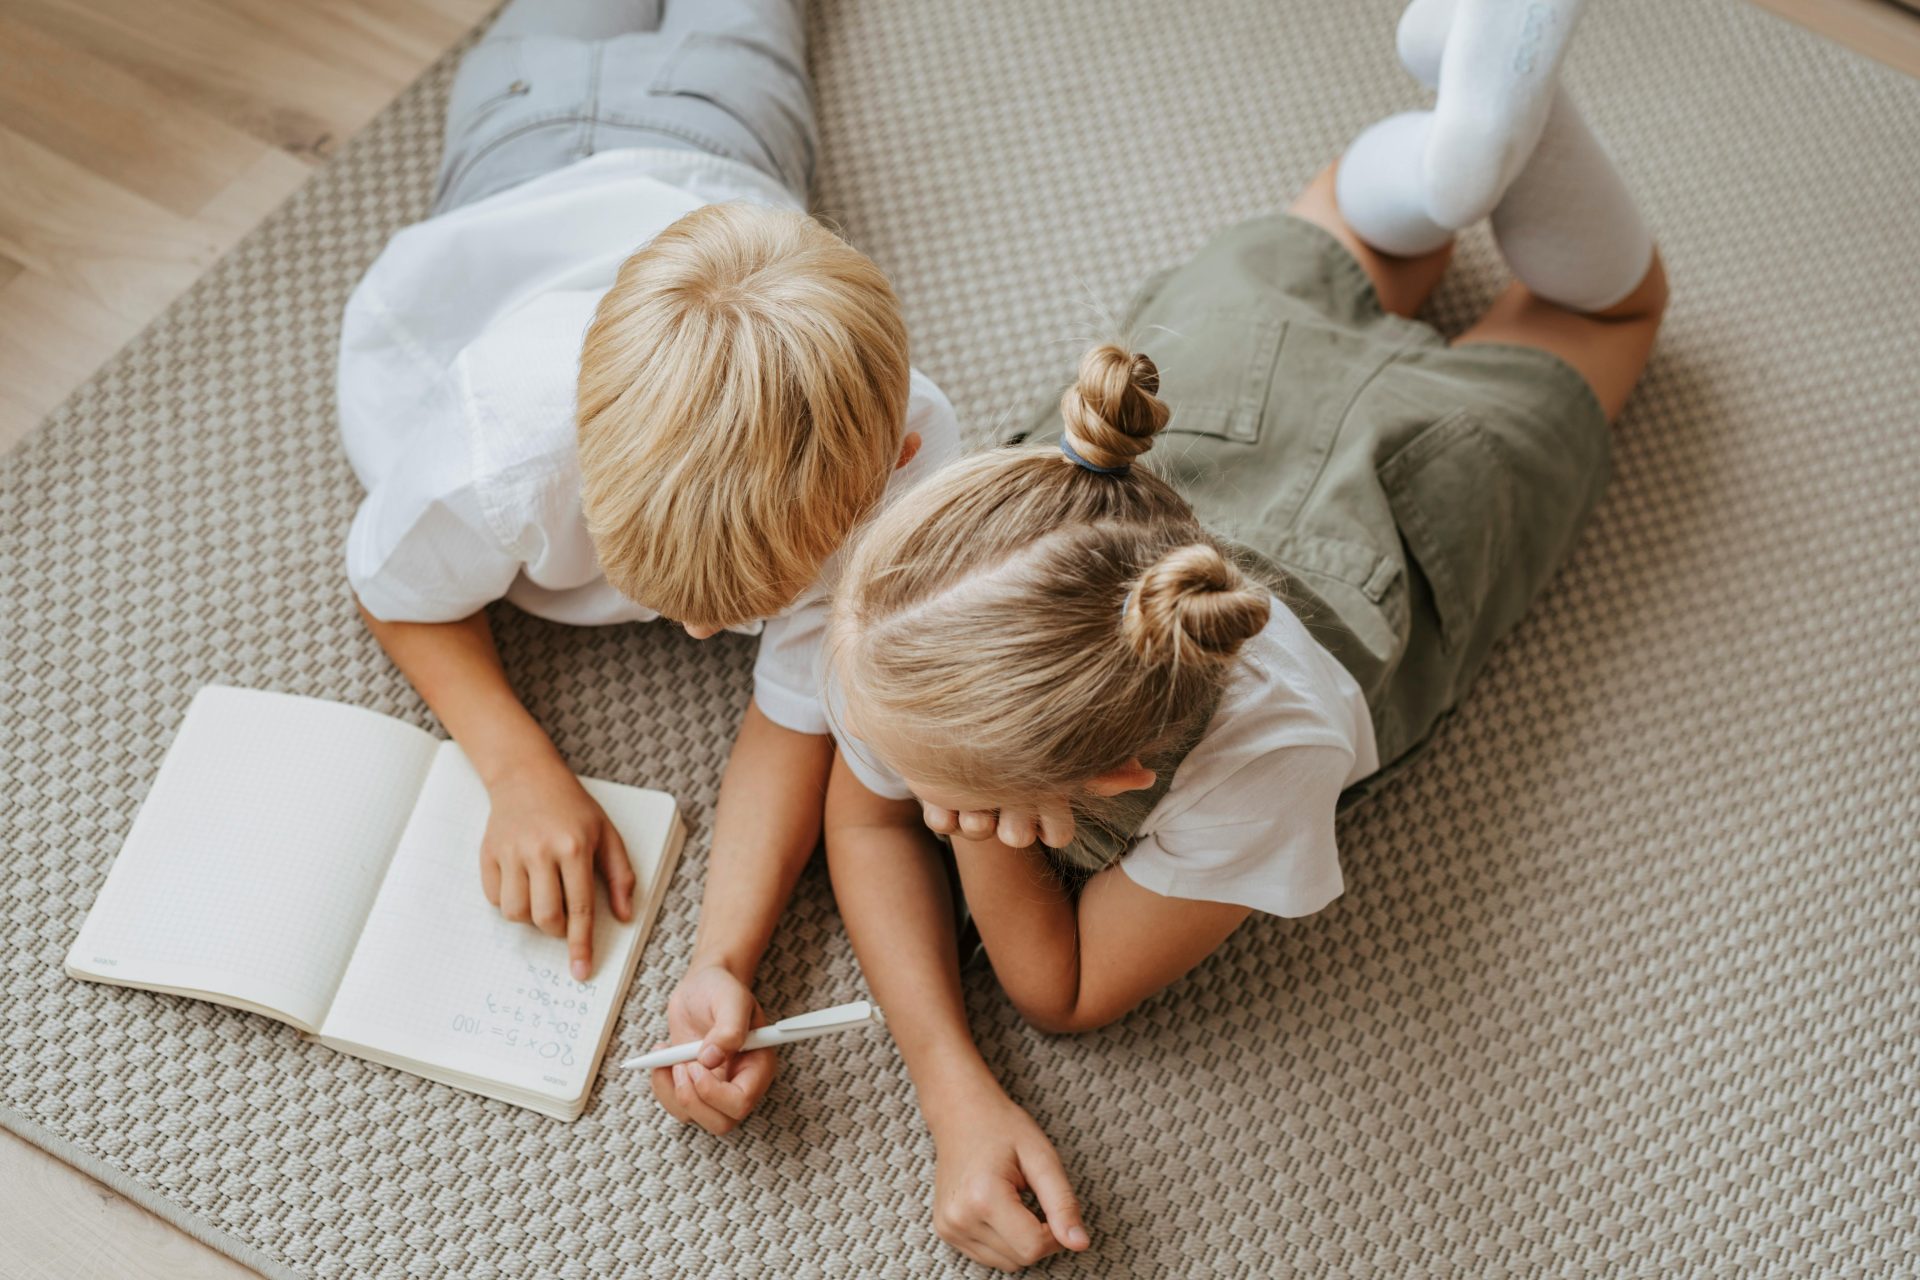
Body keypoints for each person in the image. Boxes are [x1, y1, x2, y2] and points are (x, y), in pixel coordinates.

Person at [817, 1, 1667, 1267]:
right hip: (1211, 401)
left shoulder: (1269, 758)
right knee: (1346, 231)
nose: (878, 766)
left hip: (1403, 502)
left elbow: (1061, 991)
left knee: (1611, 313)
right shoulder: (951, 608)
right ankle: (1456, 159)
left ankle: (1480, 153)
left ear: (1110, 782)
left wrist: (980, 841)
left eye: (943, 789)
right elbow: (861, 810)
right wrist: (951, 1082)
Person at [336, 0, 957, 1134]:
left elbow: (798, 712)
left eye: (742, 609)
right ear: (578, 464)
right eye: (673, 600)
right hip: (520, 134)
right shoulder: (505, 446)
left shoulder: (903, 457)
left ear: (895, 463)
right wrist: (518, 764)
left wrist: (725, 954)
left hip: (726, 131)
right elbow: (393, 589)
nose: (708, 640)